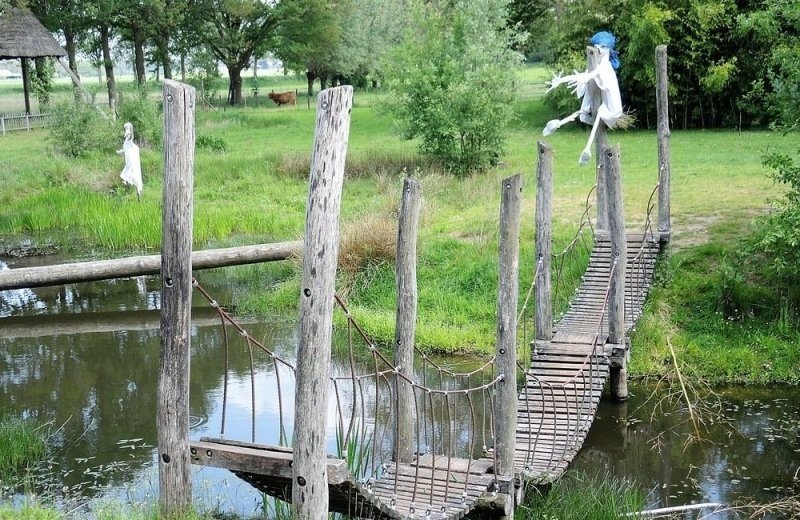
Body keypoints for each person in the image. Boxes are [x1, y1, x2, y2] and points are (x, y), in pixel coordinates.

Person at [542, 31, 623, 165]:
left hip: (611, 107)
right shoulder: (596, 65)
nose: (598, 49)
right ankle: (558, 124)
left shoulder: (605, 67)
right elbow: (588, 75)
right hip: (600, 99)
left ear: (608, 49)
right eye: (597, 46)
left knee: (599, 114)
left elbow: (588, 76)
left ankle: (586, 150)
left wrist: (565, 79)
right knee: (585, 108)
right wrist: (560, 80)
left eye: (602, 47)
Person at [118, 122, 143, 200]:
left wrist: (127, 132)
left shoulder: (128, 134)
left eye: (126, 128)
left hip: (131, 158)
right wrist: (121, 151)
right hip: (129, 157)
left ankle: (128, 181)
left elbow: (127, 137)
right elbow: (126, 147)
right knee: (129, 169)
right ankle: (128, 181)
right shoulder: (128, 141)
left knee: (131, 170)